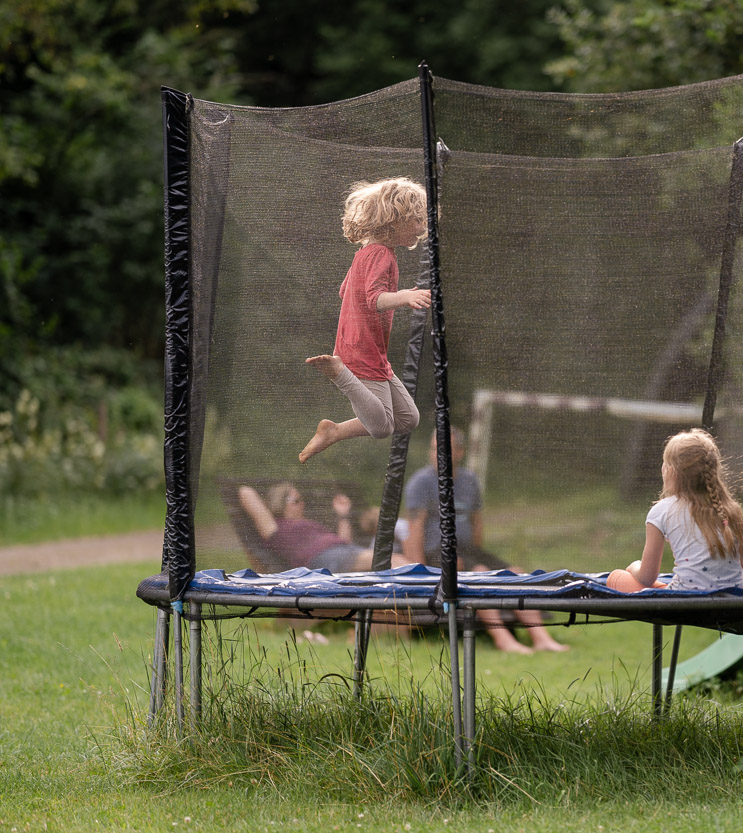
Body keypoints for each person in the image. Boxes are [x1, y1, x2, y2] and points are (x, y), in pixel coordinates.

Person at [300, 177, 432, 463]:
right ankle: (339, 374)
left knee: (408, 418)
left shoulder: (365, 253)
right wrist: (405, 297)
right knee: (382, 427)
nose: (423, 228)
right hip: (359, 348)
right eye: (418, 220)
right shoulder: (382, 254)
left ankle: (334, 431)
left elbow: (346, 290)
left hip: (370, 346)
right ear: (395, 220)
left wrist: (396, 294)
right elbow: (375, 300)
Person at [403, 428, 567, 653]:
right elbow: (414, 531)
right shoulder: (420, 483)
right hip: (436, 552)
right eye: (434, 449)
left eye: (445, 449)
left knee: (515, 573)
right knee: (479, 572)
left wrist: (475, 552)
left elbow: (476, 522)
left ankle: (541, 638)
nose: (438, 454)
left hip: (467, 549)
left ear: (460, 452)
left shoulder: (470, 480)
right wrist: (420, 576)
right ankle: (503, 640)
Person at [607, 428, 743, 593]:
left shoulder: (661, 511)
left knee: (615, 578)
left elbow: (646, 577)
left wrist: (634, 567)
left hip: (685, 601)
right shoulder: (731, 509)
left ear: (671, 471)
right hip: (733, 599)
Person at [237, 482, 374, 572]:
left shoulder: (308, 524)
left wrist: (343, 515)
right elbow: (245, 492)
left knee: (390, 559)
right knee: (389, 561)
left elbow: (344, 543)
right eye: (296, 501)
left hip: (344, 552)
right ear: (279, 503)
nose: (302, 504)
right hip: (323, 559)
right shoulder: (275, 527)